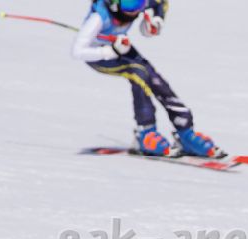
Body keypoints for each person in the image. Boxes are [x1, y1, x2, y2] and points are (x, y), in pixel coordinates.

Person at [72, 0, 222, 158]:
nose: (134, 10)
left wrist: (156, 21)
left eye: (139, 4)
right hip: (99, 56)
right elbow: (77, 51)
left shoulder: (137, 6)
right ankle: (145, 132)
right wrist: (110, 51)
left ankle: (185, 131)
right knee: (138, 74)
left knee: (155, 79)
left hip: (121, 46)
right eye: (129, 5)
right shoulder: (98, 18)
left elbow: (160, 3)